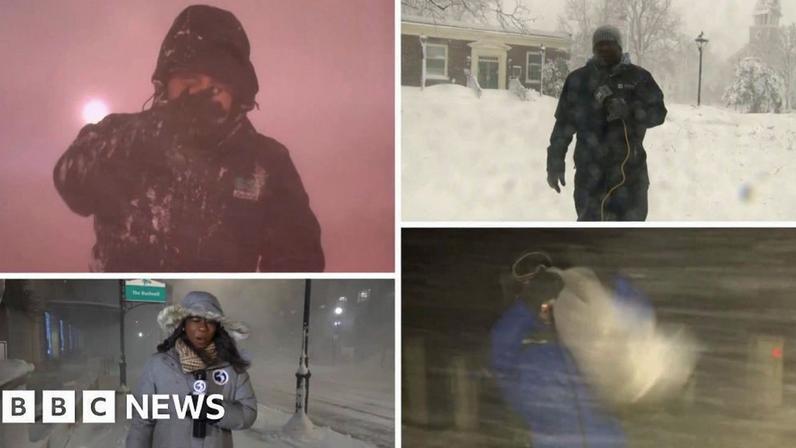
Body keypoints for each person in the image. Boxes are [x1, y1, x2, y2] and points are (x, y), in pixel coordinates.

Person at [53, 4, 324, 272]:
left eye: (216, 85)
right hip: (135, 296)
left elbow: (299, 259)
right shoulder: (120, 135)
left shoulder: (267, 163)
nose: (200, 94)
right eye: (190, 80)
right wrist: (147, 133)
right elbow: (73, 184)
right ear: (167, 82)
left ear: (236, 90)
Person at [490, 254, 627, 447]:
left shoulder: (585, 333)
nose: (546, 305)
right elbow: (500, 353)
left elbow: (633, 322)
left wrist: (612, 280)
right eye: (537, 294)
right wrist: (527, 306)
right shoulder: (520, 346)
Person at [546, 25, 667, 221]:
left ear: (619, 47)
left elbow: (659, 113)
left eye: (609, 44)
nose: (604, 49)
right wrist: (554, 162)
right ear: (593, 49)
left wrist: (630, 111)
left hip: (630, 176)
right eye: (599, 45)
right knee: (590, 239)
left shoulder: (639, 77)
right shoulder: (579, 80)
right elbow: (563, 127)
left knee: (629, 241)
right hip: (590, 176)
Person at [126, 291, 257, 448]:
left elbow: (248, 412)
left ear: (218, 328)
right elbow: (142, 421)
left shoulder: (231, 367)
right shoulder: (158, 365)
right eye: (195, 320)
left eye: (210, 322)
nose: (202, 328)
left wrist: (215, 410)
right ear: (183, 324)